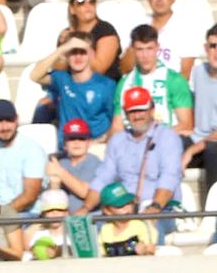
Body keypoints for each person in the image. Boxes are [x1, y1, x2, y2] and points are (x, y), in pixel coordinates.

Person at [84, 87, 183, 232]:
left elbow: (169, 176)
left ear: (152, 110)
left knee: (149, 230)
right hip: (123, 209)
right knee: (88, 227)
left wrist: (154, 207)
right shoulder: (117, 140)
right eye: (132, 111)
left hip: (162, 209)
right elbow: (103, 178)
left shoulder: (168, 137)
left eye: (141, 110)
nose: (137, 116)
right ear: (125, 113)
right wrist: (85, 208)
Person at [29, 32, 115, 146]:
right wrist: (62, 49)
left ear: (91, 54)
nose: (78, 57)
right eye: (73, 52)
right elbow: (34, 75)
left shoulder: (106, 85)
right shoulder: (62, 79)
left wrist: (98, 142)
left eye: (83, 52)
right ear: (67, 55)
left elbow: (116, 121)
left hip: (95, 147)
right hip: (67, 148)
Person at [112, 25, 194, 136]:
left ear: (157, 48)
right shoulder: (124, 83)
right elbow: (117, 126)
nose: (145, 55)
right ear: (133, 50)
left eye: (149, 48)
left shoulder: (174, 80)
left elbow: (186, 125)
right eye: (140, 49)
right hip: (133, 143)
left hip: (166, 142)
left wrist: (151, 137)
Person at [0, 99, 43, 215]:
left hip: (27, 214)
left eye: (9, 120)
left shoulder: (32, 149)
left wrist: (0, 215)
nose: (4, 127)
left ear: (17, 120)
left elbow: (30, 195)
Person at [137, 0, 199, 78]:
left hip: (172, 90)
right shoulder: (139, 24)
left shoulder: (186, 29)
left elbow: (185, 74)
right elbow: (126, 68)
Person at [184, 24, 217, 205]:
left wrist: (191, 150)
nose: (216, 52)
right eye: (213, 46)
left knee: (213, 150)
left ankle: (211, 217)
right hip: (197, 139)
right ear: (206, 48)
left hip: (211, 145)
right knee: (166, 145)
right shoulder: (197, 72)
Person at [65, 0, 120, 82]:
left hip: (102, 87)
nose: (87, 5)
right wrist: (64, 47)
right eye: (81, 2)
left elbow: (99, 69)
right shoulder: (67, 34)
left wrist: (82, 45)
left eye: (92, 1)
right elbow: (58, 68)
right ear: (72, 9)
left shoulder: (105, 30)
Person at [46, 118, 101, 212]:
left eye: (81, 139)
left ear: (89, 143)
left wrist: (60, 172)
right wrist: (54, 183)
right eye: (71, 138)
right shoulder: (60, 161)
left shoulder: (95, 163)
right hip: (59, 216)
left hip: (90, 218)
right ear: (64, 144)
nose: (76, 142)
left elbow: (84, 192)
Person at [95, 182, 156, 256]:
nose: (127, 208)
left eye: (129, 203)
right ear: (107, 211)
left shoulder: (142, 224)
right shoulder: (105, 229)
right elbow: (100, 256)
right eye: (120, 205)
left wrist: (144, 252)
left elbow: (151, 252)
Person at [24, 187, 68, 258]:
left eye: (59, 210)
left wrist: (58, 251)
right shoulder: (36, 234)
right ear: (43, 214)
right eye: (49, 210)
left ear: (66, 212)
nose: (55, 213)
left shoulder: (72, 235)